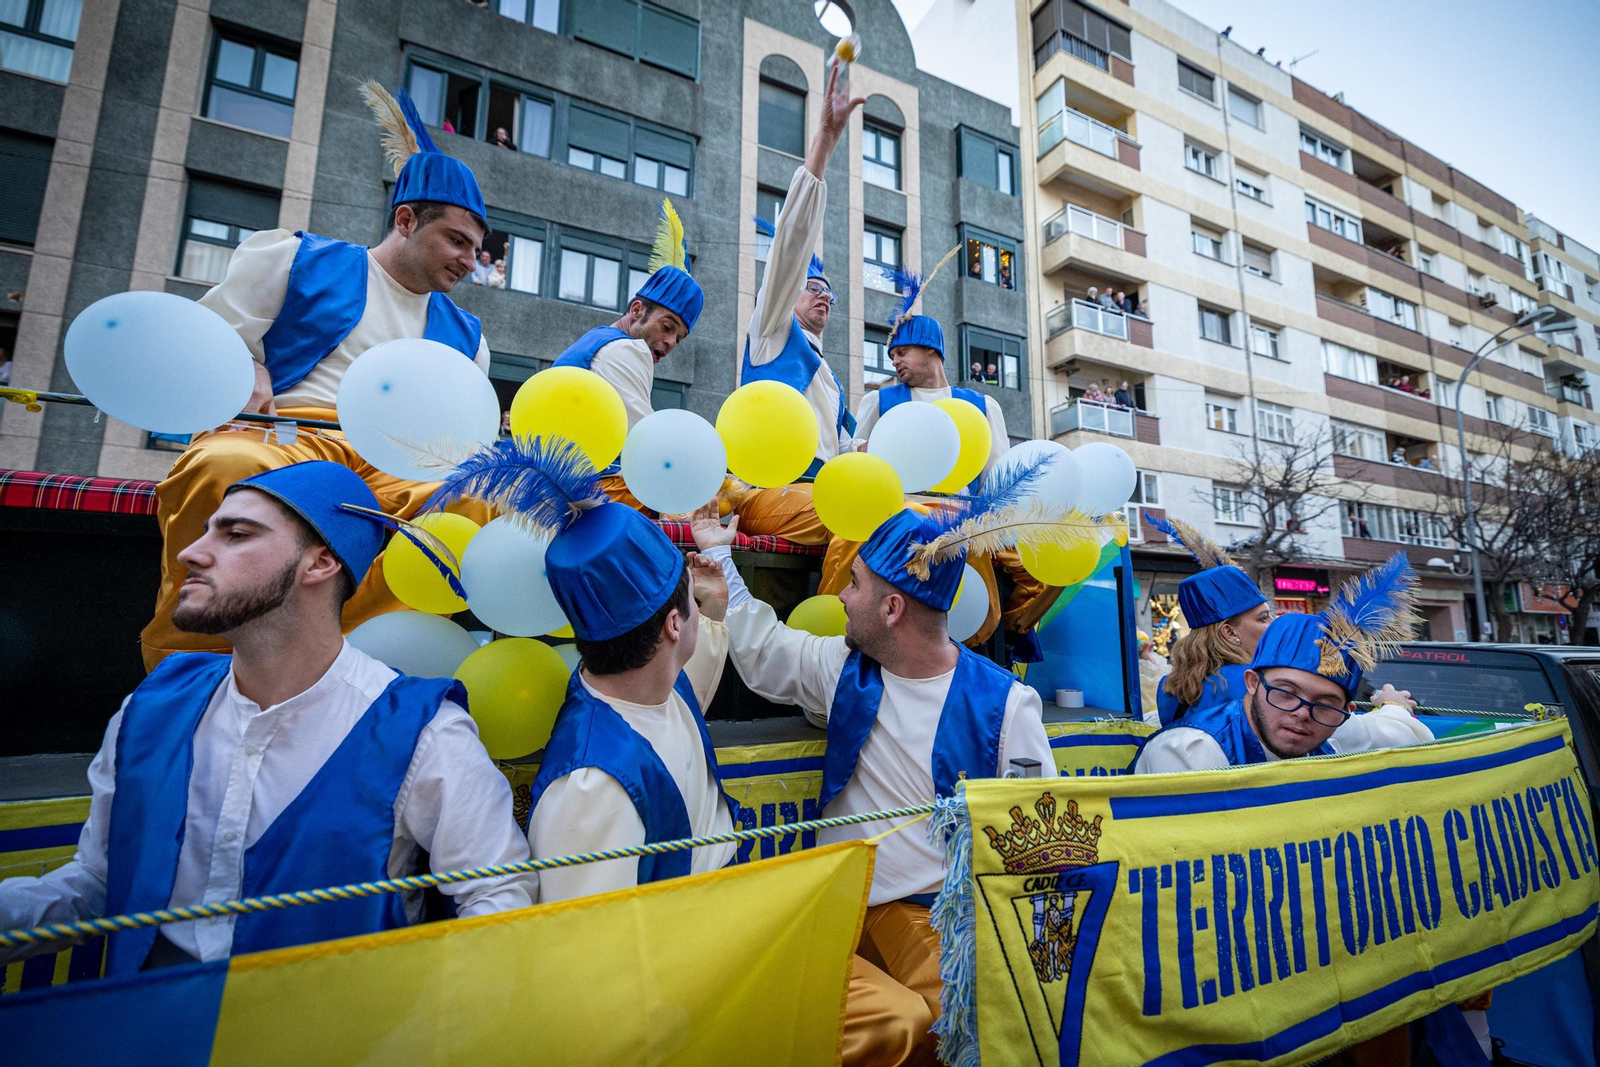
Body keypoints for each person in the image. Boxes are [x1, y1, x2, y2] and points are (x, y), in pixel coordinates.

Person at [431, 438, 933, 1067]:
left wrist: (715, 602)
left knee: (906, 1014)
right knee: (896, 1022)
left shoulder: (654, 683)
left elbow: (701, 659)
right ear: (672, 626)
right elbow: (589, 976)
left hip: (732, 920)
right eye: (688, 601)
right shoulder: (592, 787)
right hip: (687, 980)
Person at [0, 462, 535, 972]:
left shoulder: (424, 730)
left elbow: (498, 904)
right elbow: (99, 879)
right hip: (145, 1033)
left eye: (235, 534)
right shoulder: (149, 708)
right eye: (207, 531)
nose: (191, 552)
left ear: (320, 563)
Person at [692, 477, 1059, 1050]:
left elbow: (1038, 850)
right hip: (841, 904)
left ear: (892, 608)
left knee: (982, 1017)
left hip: (942, 916)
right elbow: (764, 647)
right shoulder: (844, 668)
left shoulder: (1008, 707)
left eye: (855, 584)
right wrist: (717, 553)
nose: (838, 595)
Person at [140, 81, 494, 671]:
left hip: (394, 464)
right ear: (405, 220)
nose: (468, 260)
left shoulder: (469, 336)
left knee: (472, 503)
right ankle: (192, 668)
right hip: (283, 438)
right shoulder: (295, 259)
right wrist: (247, 365)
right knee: (224, 466)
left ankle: (344, 663)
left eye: (477, 249)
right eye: (456, 240)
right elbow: (204, 341)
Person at [838, 284, 1060, 658]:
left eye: (902, 351)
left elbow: (996, 476)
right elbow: (855, 463)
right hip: (900, 513)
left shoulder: (982, 405)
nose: (894, 361)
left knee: (1044, 565)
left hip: (973, 515)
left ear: (931, 350)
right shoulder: (879, 400)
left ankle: (1006, 636)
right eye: (891, 354)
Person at [730, 56, 864, 546]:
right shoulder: (770, 331)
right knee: (861, 517)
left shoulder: (830, 380)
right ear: (787, 295)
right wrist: (825, 143)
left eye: (829, 293)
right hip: (772, 490)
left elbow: (850, 446)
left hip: (821, 492)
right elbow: (791, 244)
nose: (823, 298)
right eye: (813, 288)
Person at [1135, 554, 1433, 773]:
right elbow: (1368, 736)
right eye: (1264, 618)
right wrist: (1395, 709)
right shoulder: (1257, 693)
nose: (1300, 711)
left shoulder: (1174, 685)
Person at [548, 198, 702, 511]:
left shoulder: (595, 340)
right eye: (667, 326)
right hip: (585, 495)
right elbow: (647, 448)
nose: (671, 342)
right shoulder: (627, 349)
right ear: (637, 310)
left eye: (679, 338)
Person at [1148, 516, 1273, 727]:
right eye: (1263, 618)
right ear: (1230, 632)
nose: (1274, 622)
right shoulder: (1253, 682)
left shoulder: (1169, 686)